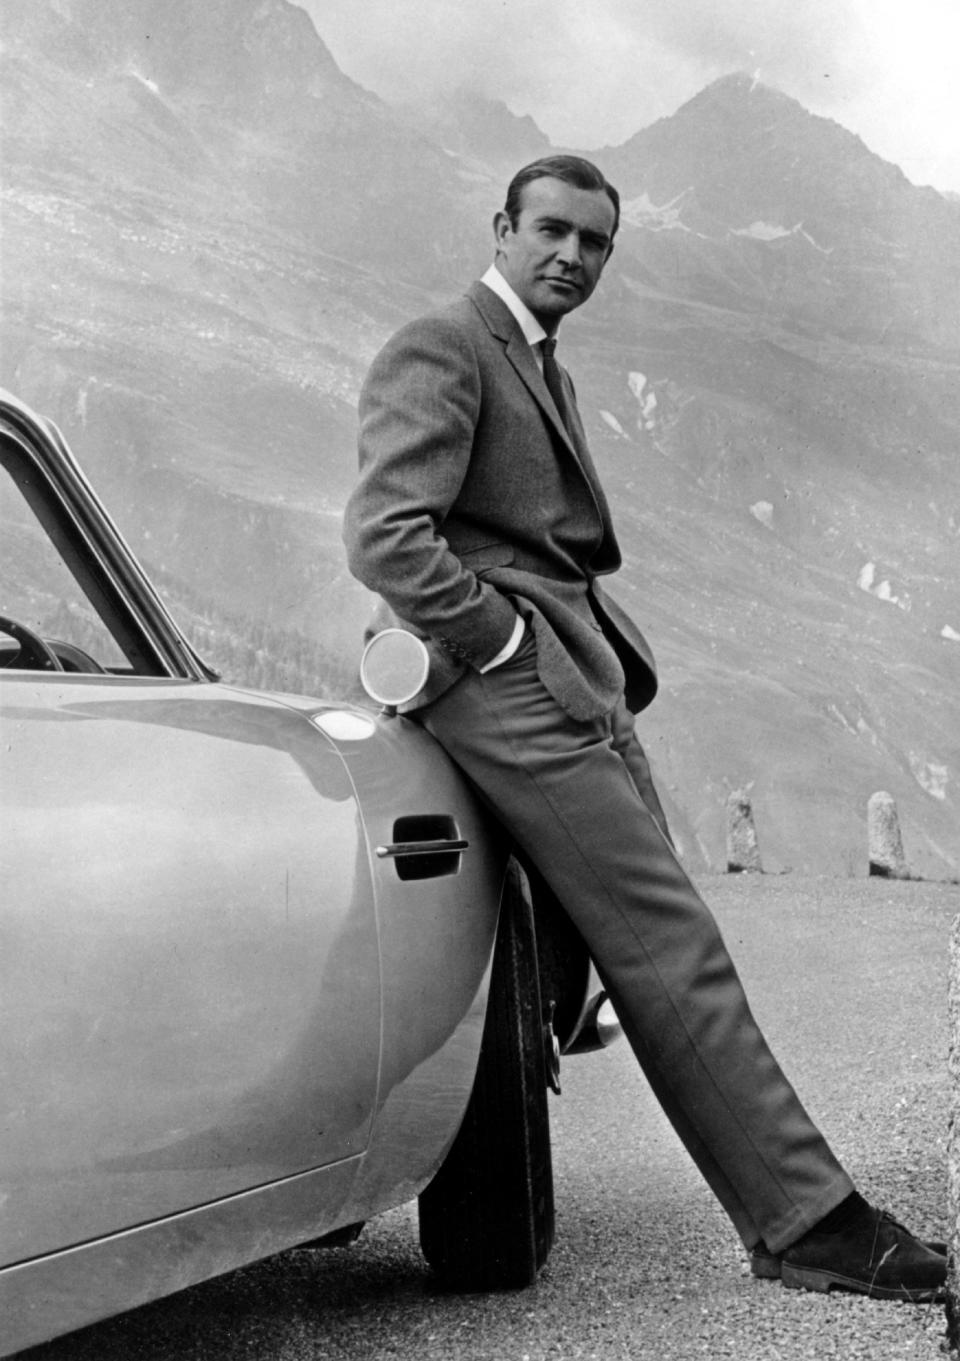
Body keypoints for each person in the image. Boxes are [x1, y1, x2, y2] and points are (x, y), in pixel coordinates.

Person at [341, 154, 945, 1301]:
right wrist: (502, 642)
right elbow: (385, 536)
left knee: (649, 935)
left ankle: (783, 1202)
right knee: (671, 943)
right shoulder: (448, 341)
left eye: (596, 242)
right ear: (502, 229)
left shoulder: (533, 353)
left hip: (571, 673)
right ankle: (807, 1218)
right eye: (553, 231)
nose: (573, 255)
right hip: (510, 681)